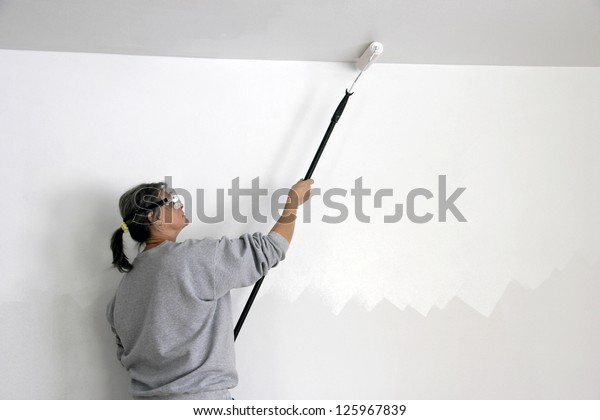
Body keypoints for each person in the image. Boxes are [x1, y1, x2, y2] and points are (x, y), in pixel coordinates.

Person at [107, 179, 314, 400]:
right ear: (153, 217)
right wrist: (292, 204)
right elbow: (270, 249)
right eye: (172, 200)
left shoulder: (121, 293)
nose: (180, 204)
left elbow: (126, 354)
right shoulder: (187, 258)